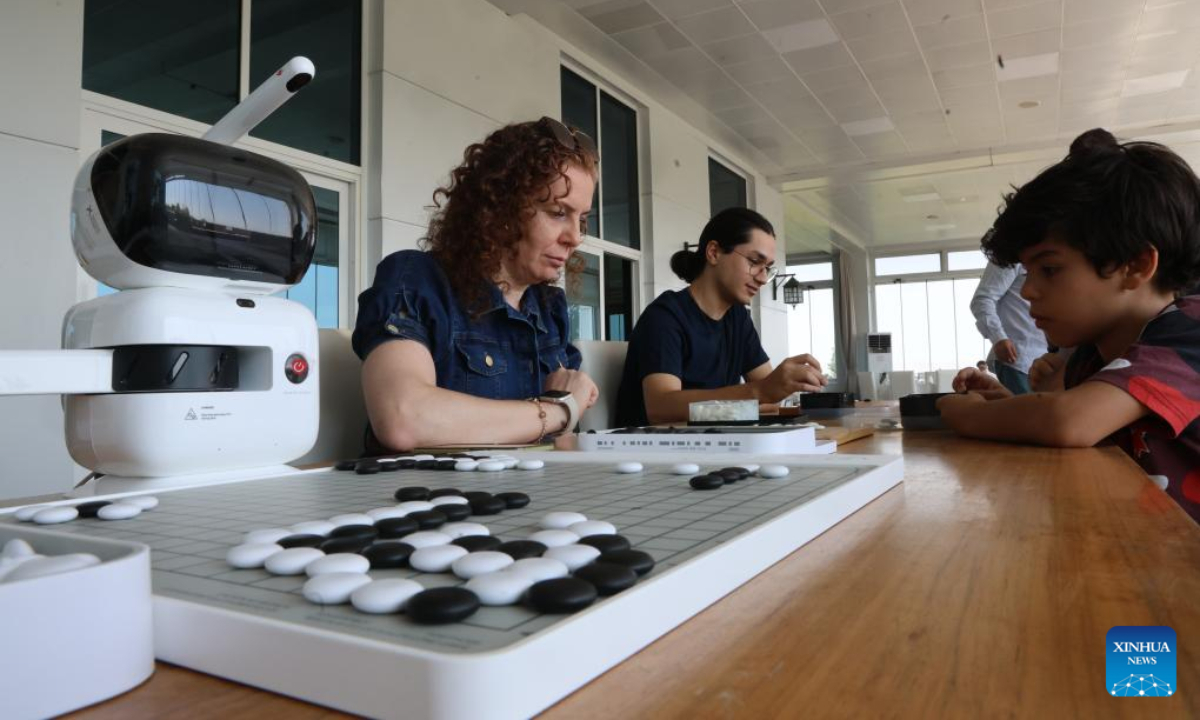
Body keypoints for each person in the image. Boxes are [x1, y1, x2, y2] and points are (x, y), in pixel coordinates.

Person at [938, 128, 1200, 524]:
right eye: (1026, 272)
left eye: (1049, 269)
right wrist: (1004, 401)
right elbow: (1072, 421)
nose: (1027, 291)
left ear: (1135, 266)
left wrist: (968, 416)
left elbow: (1068, 421)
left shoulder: (1188, 332)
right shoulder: (1093, 354)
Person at [352, 118, 600, 452]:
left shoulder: (549, 308)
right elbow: (404, 418)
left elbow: (563, 445)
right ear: (502, 206)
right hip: (426, 497)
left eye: (581, 219)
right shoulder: (416, 280)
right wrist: (559, 409)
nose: (575, 237)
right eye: (558, 212)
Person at [615, 207, 827, 426]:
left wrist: (770, 389)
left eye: (768, 268)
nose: (763, 278)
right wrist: (757, 392)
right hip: (655, 453)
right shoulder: (665, 317)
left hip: (716, 445)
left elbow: (770, 402)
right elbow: (661, 409)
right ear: (714, 252)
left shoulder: (737, 318)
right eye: (754, 262)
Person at [969, 259, 1049, 394]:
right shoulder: (1009, 257)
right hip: (1019, 359)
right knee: (1029, 414)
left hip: (1047, 360)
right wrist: (998, 337)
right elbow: (982, 299)